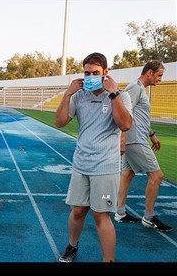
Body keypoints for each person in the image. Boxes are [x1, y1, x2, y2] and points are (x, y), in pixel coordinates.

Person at [55, 52, 133, 262]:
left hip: (105, 166)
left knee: (101, 215)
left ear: (105, 72)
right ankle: (72, 246)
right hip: (81, 164)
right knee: (78, 211)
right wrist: (67, 95)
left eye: (95, 72)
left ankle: (109, 260)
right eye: (87, 72)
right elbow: (60, 122)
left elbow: (125, 124)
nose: (90, 76)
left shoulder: (121, 96)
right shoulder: (79, 96)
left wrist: (114, 94)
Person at [115, 60, 172, 232]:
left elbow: (139, 117)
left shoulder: (141, 89)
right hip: (134, 140)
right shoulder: (135, 88)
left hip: (138, 137)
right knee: (157, 176)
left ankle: (120, 212)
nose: (160, 79)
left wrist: (152, 135)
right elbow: (123, 113)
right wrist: (123, 140)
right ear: (149, 73)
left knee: (127, 174)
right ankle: (149, 217)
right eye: (159, 75)